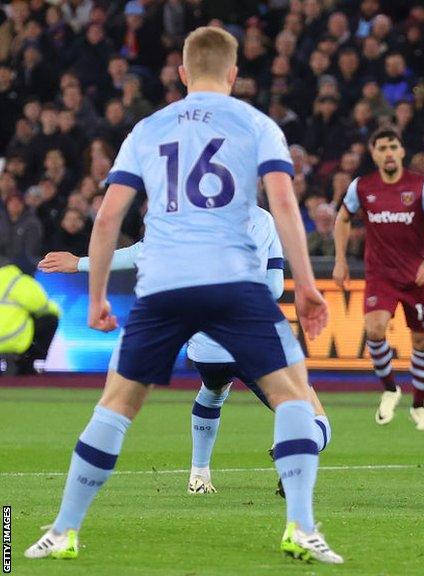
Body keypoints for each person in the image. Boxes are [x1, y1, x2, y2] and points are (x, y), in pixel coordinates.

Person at [24, 28, 342, 563]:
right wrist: (307, 286)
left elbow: (107, 218)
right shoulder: (259, 125)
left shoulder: (148, 128)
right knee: (293, 396)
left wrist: (98, 295)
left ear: (182, 73)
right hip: (234, 283)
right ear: (235, 74)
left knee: (117, 404)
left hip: (165, 284)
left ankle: (63, 530)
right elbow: (285, 208)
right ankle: (302, 528)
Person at [39, 205, 333, 497]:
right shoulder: (262, 219)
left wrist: (79, 262)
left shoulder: (181, 217)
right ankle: (292, 448)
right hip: (251, 341)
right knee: (316, 420)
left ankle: (198, 474)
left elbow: (137, 254)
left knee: (213, 391)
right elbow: (275, 287)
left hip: (205, 349)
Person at [334, 128, 424, 431]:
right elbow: (342, 219)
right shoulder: (362, 186)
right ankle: (390, 388)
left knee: (422, 340)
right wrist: (341, 260)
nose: (388, 152)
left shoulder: (421, 185)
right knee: (374, 329)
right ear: (374, 153)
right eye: (381, 147)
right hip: (380, 275)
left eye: (393, 146)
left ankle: (419, 406)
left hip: (416, 277)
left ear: (401, 151)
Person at [0, 259, 60, 375]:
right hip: (14, 341)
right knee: (50, 319)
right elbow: (44, 307)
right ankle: (27, 362)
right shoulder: (20, 281)